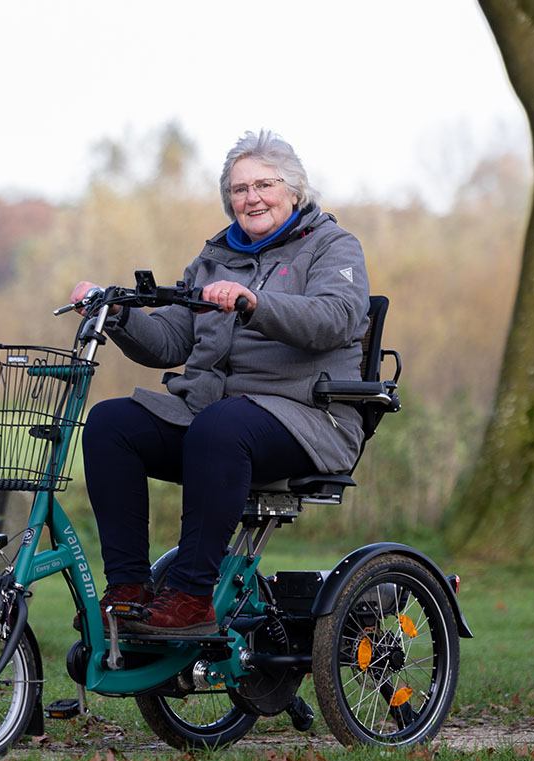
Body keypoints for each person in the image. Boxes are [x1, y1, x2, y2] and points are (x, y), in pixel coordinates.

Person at [69, 129, 370, 635]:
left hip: (309, 418)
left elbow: (336, 318)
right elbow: (168, 340)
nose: (250, 197)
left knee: (220, 426)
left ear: (294, 190)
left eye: (264, 184)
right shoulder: (213, 258)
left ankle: (190, 596)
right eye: (238, 189)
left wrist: (256, 303)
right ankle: (128, 591)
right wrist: (117, 312)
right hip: (216, 418)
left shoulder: (333, 247)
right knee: (109, 424)